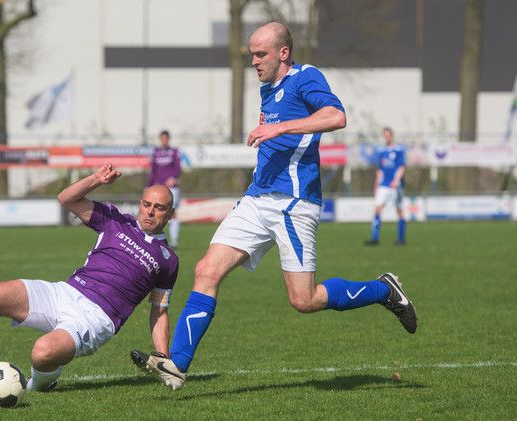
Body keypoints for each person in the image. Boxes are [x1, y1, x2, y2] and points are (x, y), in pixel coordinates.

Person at [130, 22, 418, 390]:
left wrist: (280, 129)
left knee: (304, 299)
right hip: (257, 199)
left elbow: (336, 116)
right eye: (251, 54)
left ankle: (384, 290)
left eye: (260, 53)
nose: (253, 61)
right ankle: (177, 364)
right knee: (206, 270)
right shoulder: (268, 90)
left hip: (293, 204)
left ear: (283, 52)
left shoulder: (305, 77)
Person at [0, 164, 179, 392]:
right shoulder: (115, 220)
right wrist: (95, 180)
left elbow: (159, 311)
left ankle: (37, 386)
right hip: (63, 293)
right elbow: (66, 199)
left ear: (170, 214)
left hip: (94, 319)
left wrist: (162, 357)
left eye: (159, 208)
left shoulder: (168, 260)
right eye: (146, 204)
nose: (150, 212)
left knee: (42, 353)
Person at [365, 127, 406, 245]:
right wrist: (376, 185)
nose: (386, 137)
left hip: (395, 186)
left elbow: (401, 167)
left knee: (399, 211)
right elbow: (380, 171)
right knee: (377, 209)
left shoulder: (398, 150)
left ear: (392, 135)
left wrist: (396, 180)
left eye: (388, 135)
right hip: (383, 185)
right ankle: (375, 238)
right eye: (385, 135)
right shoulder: (382, 152)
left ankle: (401, 239)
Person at [147, 130, 182, 248]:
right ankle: (153, 238)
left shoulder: (174, 152)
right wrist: (149, 185)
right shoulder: (155, 152)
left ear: (168, 139)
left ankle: (174, 241)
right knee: (155, 212)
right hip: (159, 188)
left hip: (172, 188)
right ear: (160, 139)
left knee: (173, 213)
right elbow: (153, 171)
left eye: (166, 138)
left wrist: (174, 177)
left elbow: (178, 168)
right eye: (162, 138)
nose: (164, 140)